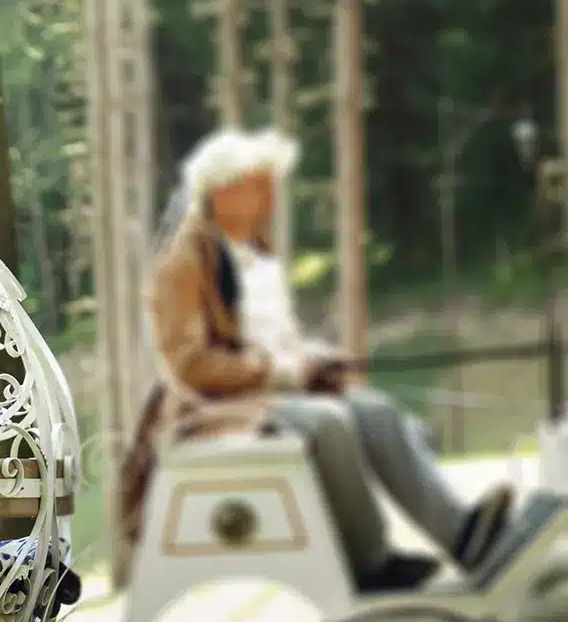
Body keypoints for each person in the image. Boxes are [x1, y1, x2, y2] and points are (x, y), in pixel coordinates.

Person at [116, 126, 515, 593]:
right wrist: (282, 370)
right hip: (217, 411)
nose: (270, 197)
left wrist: (313, 357)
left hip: (271, 395)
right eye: (259, 185)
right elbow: (190, 365)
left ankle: (463, 534)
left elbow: (270, 338)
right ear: (224, 192)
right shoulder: (182, 262)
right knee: (329, 424)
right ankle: (369, 566)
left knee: (377, 412)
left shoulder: (253, 252)